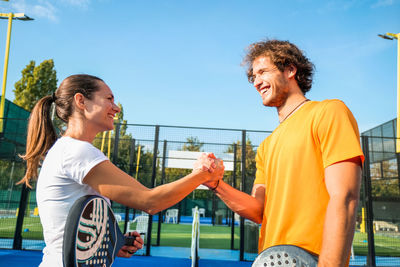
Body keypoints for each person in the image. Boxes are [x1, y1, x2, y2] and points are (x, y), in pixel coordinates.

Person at [18, 74, 224, 267]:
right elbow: (151, 202)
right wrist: (204, 173)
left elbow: (71, 232)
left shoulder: (68, 150)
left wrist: (113, 243)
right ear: (81, 101)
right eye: (109, 99)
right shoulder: (77, 152)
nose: (116, 108)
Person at [203, 40, 364, 266]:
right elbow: (258, 210)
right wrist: (215, 184)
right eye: (253, 77)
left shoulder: (329, 112)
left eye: (262, 72)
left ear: (290, 70)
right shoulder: (267, 146)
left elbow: (345, 198)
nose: (257, 82)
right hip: (270, 259)